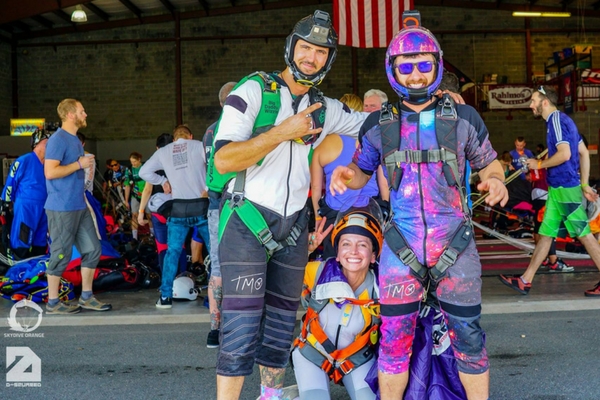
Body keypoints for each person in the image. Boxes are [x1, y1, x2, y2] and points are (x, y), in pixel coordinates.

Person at [329, 11, 508, 400]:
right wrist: (347, 176)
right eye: (406, 67)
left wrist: (493, 179)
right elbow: (361, 171)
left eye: (424, 65)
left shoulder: (463, 118)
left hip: (454, 244)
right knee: (393, 341)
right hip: (401, 246)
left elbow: (489, 162)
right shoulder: (377, 124)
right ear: (392, 69)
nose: (415, 75)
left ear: (437, 66)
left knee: (469, 338)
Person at [211, 10, 368, 400]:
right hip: (246, 220)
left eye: (319, 52)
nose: (310, 58)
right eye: (304, 48)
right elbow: (223, 160)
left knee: (282, 325)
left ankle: (270, 396)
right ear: (290, 48)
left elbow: (371, 121)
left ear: (328, 59)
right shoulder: (252, 91)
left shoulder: (324, 107)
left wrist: (423, 108)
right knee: (241, 326)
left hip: (294, 226)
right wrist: (284, 131)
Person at [499, 85, 600, 296]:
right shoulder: (567, 122)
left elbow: (564, 154)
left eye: (533, 100)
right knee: (545, 235)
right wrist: (584, 184)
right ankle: (525, 280)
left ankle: (526, 280)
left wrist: (538, 164)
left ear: (545, 102)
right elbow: (583, 153)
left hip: (564, 187)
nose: (530, 104)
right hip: (559, 188)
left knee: (585, 236)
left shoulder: (555, 120)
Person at [291, 199, 382, 400]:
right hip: (312, 355)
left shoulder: (381, 288)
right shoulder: (318, 272)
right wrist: (303, 252)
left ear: (374, 255)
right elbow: (281, 276)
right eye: (346, 244)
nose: (354, 252)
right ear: (338, 253)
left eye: (363, 245)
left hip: (355, 358)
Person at [44, 98, 111, 314]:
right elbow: (50, 172)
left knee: (93, 249)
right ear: (71, 115)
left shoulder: (74, 140)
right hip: (61, 208)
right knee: (61, 253)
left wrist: (82, 167)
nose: (86, 114)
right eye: (82, 111)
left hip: (79, 206)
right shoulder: (57, 140)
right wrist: (78, 165)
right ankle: (53, 303)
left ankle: (87, 297)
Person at [139, 124, 210, 309]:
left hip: (178, 209)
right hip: (201, 206)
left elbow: (143, 172)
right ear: (190, 135)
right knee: (215, 253)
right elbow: (216, 166)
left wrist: (163, 181)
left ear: (174, 138)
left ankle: (165, 297)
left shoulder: (164, 151)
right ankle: (216, 296)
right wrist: (208, 189)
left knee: (172, 252)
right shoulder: (199, 145)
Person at [203, 81, 236, 349]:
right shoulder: (242, 127)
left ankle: (215, 328)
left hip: (215, 204)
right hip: (241, 203)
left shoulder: (209, 132)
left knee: (217, 265)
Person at [137, 133, 187, 276]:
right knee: (180, 245)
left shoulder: (154, 162)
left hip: (159, 211)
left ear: (157, 147)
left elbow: (147, 190)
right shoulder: (181, 160)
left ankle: (166, 282)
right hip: (179, 208)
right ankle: (182, 279)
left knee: (162, 246)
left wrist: (141, 212)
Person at [1, 129, 51, 260]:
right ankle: (18, 268)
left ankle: (36, 270)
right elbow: (11, 181)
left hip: (45, 207)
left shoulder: (50, 165)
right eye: (47, 142)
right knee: (22, 238)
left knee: (40, 240)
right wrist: (5, 203)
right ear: (37, 143)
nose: (50, 145)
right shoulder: (24, 160)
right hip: (27, 207)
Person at [124, 151, 148, 240]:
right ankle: (134, 237)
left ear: (139, 159)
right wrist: (126, 200)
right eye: (131, 162)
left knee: (149, 215)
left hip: (146, 194)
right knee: (134, 215)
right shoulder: (129, 170)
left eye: (134, 161)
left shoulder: (146, 167)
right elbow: (127, 185)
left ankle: (153, 235)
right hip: (135, 195)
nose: (133, 164)